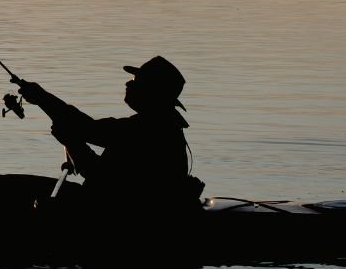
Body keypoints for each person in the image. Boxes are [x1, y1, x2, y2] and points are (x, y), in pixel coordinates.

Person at [12, 56, 203, 210]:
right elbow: (86, 128)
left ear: (151, 92)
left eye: (136, 81)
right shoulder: (162, 125)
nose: (128, 83)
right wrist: (43, 99)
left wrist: (71, 141)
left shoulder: (143, 129)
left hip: (127, 213)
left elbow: (97, 173)